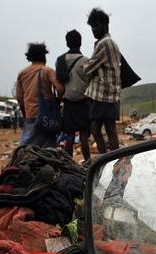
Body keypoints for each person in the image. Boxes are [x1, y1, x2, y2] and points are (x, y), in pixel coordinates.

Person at [83, 8, 121, 154]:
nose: (93, 29)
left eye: (96, 26)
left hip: (104, 93)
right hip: (107, 93)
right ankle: (109, 158)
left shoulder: (105, 43)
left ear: (105, 25)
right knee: (101, 128)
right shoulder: (107, 42)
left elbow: (88, 68)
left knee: (104, 129)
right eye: (92, 27)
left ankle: (109, 159)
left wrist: (86, 66)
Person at [16, 43, 65, 148]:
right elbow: (60, 89)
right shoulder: (47, 71)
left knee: (28, 147)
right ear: (43, 56)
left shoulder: (22, 73)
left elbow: (19, 98)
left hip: (30, 114)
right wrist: (57, 101)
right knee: (47, 149)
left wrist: (25, 113)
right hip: (46, 117)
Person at [56, 29, 91, 163]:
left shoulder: (60, 60)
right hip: (83, 102)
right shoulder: (85, 61)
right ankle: (88, 162)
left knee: (69, 134)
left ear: (67, 43)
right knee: (83, 135)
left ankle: (69, 163)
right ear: (80, 43)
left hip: (69, 103)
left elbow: (60, 81)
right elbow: (89, 80)